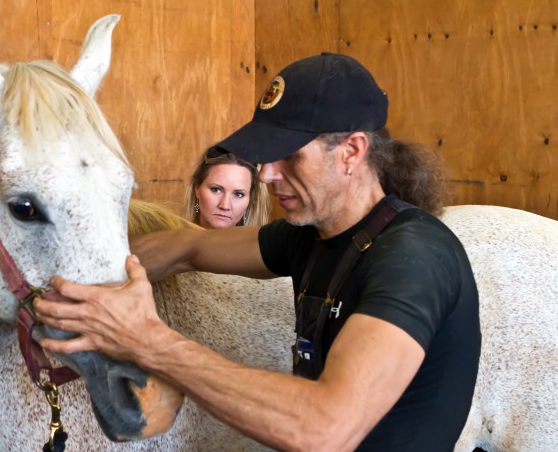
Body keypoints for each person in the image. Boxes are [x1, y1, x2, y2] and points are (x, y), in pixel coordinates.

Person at [34, 52, 481, 452]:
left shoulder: (413, 256)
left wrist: (147, 340)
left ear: (351, 151)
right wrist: (90, 281)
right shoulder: (309, 235)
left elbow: (326, 429)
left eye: (288, 156)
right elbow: (189, 247)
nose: (266, 174)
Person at [185, 145, 271, 228]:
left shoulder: (261, 242)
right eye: (216, 189)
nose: (225, 206)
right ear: (197, 188)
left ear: (250, 199)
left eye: (238, 194)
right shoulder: (174, 240)